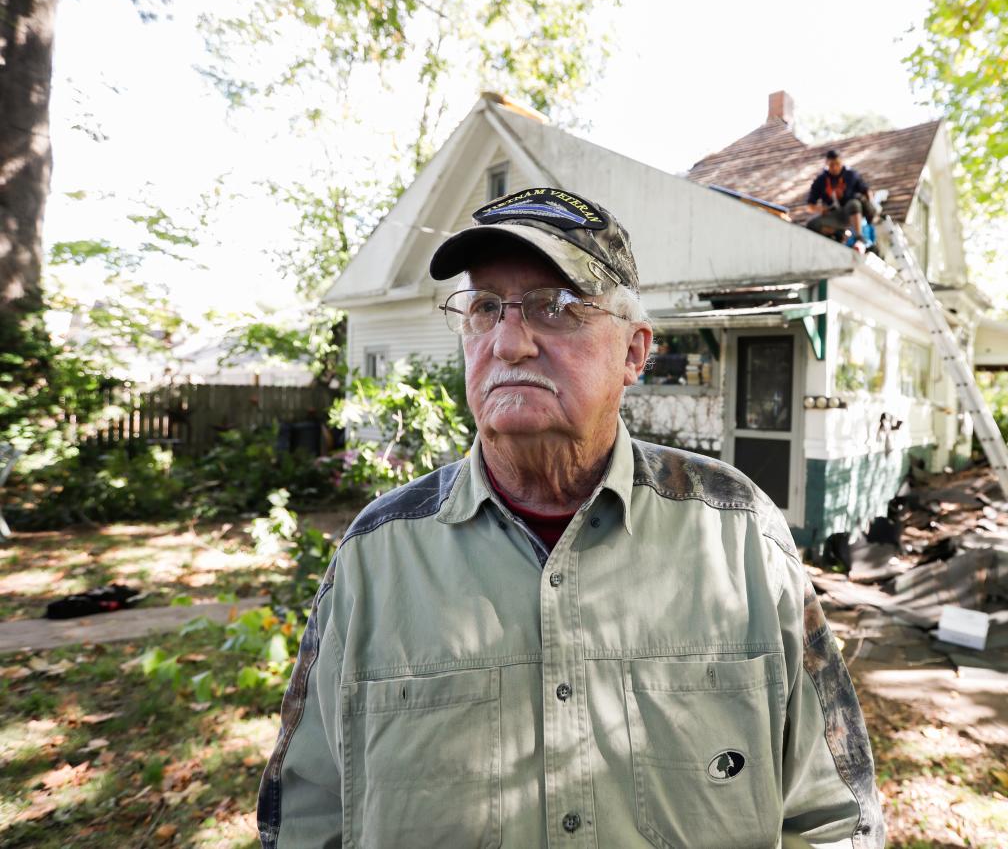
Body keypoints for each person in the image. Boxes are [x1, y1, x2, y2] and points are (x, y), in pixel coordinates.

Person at [257, 187, 884, 848]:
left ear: (635, 353)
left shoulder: (738, 536)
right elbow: (305, 824)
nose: (508, 341)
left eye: (554, 308)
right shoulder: (378, 557)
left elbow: (834, 819)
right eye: (485, 307)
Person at [806, 149, 877, 247]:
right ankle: (838, 233)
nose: (835, 167)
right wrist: (819, 209)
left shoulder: (851, 175)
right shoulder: (820, 180)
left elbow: (866, 191)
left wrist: (871, 207)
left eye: (837, 164)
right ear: (827, 164)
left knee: (854, 203)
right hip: (834, 215)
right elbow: (809, 206)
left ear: (841, 162)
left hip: (851, 214)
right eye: (831, 165)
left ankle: (858, 236)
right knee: (812, 225)